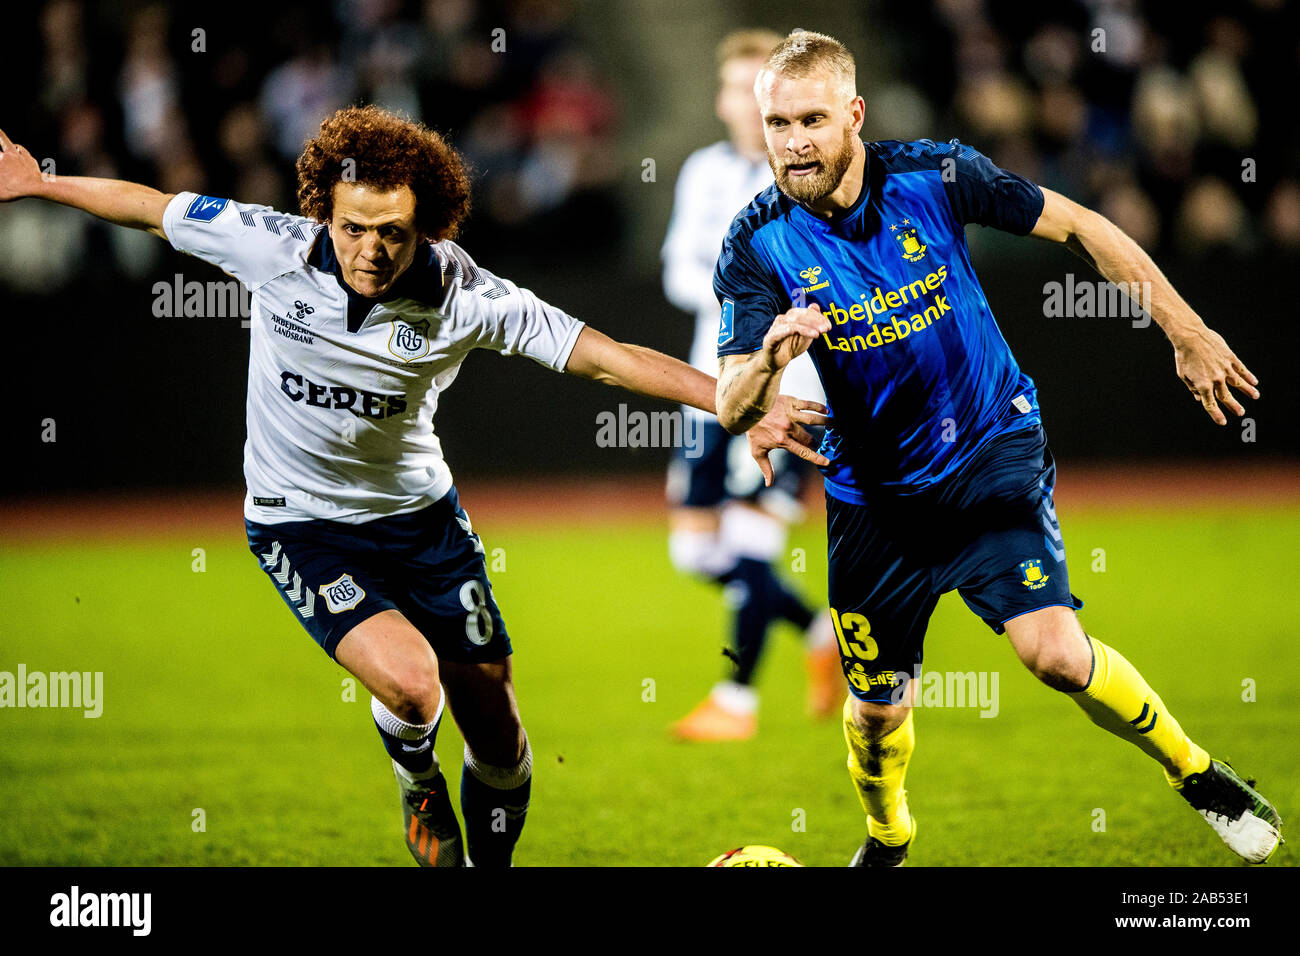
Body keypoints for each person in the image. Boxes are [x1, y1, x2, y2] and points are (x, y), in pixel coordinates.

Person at [0, 106, 826, 867]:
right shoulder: (268, 244)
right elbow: (149, 205)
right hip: (300, 524)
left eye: (392, 232)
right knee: (410, 680)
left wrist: (734, 402)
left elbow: (609, 358)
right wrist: (40, 183)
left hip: (424, 523)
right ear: (324, 209)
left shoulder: (466, 296)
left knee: (498, 730)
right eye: (354, 227)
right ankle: (416, 778)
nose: (370, 250)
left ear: (424, 224)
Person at [713, 31, 1282, 866]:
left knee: (1052, 653)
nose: (793, 143)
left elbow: (1085, 226)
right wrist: (769, 357)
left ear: (854, 116)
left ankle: (1194, 771)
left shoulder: (937, 174)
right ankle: (888, 834)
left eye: (811, 120)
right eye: (776, 123)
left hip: (990, 447)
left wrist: (1185, 331)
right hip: (876, 496)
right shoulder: (755, 241)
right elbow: (731, 406)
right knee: (876, 713)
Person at [662, 29, 838, 742]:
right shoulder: (703, 172)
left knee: (749, 540)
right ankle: (819, 631)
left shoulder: (808, 178)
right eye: (732, 88)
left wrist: (747, 294)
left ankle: (736, 699)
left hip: (787, 388)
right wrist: (742, 289)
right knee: (697, 552)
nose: (741, 103)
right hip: (710, 383)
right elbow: (677, 270)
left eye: (753, 90)